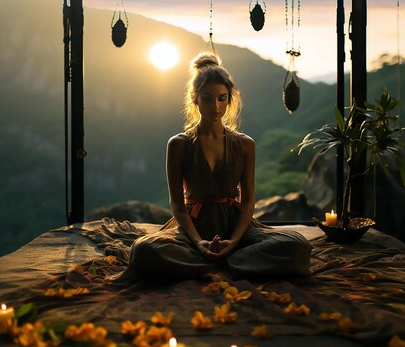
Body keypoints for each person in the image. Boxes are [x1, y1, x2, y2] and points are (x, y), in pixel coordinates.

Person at [125, 52, 311, 281]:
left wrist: (233, 241)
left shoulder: (244, 144)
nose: (216, 105)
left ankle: (214, 264)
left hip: (235, 225)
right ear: (195, 98)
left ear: (229, 99)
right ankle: (229, 264)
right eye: (208, 98)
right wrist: (199, 242)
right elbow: (177, 204)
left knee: (297, 245)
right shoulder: (179, 144)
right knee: (144, 250)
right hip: (193, 226)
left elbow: (249, 200)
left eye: (222, 98)